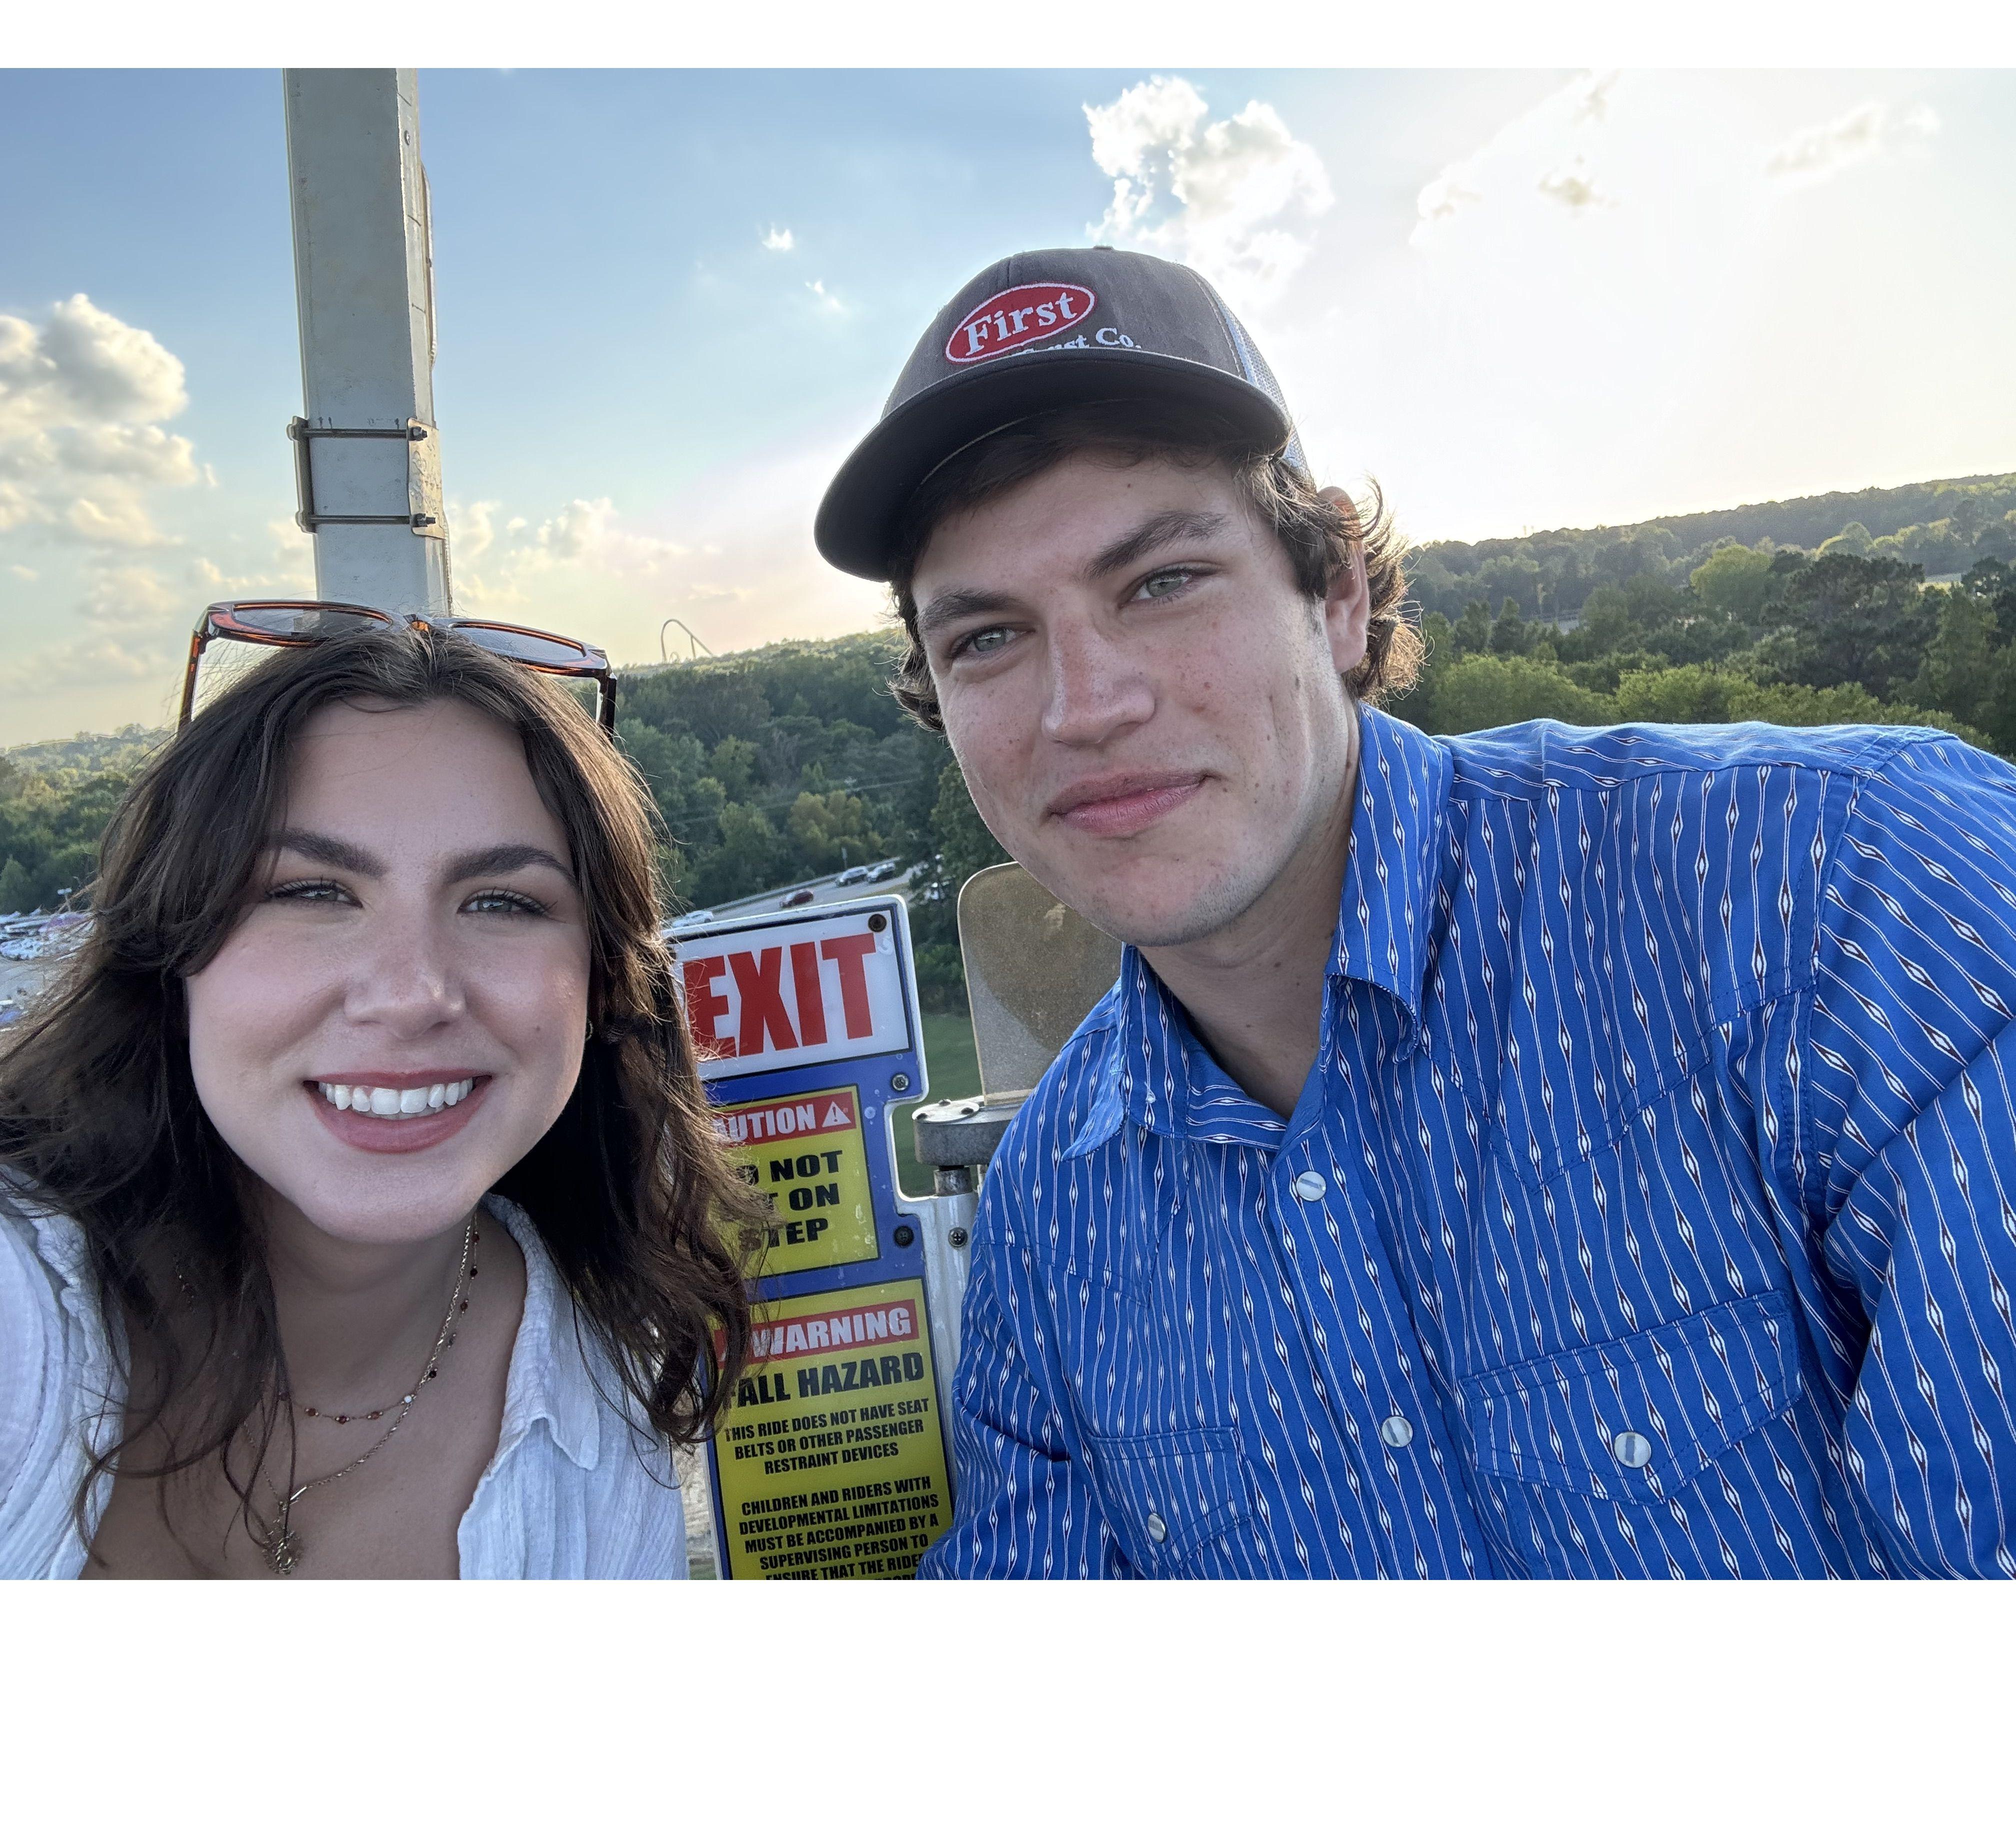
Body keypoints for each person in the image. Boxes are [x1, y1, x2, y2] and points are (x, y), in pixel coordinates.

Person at [814, 244, 2016, 1578]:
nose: (1083, 706)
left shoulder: (1849, 895)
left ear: (1332, 597)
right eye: (986, 637)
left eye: (1162, 582)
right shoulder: (1053, 1228)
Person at [0, 618, 761, 1578]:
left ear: (605, 987)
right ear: (171, 956)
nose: (410, 994)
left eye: (502, 902)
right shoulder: (24, 1313)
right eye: (312, 892)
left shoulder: (602, 1402)